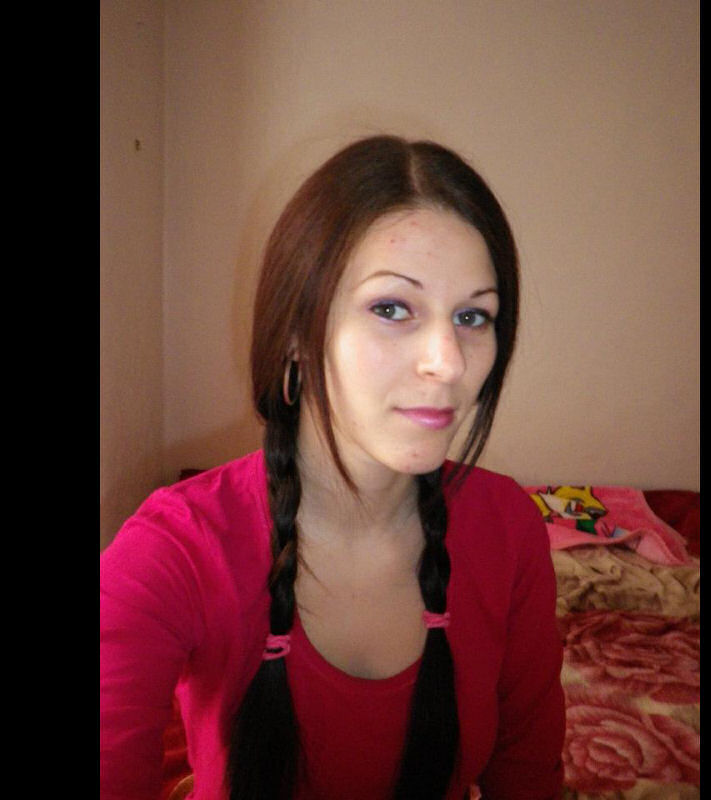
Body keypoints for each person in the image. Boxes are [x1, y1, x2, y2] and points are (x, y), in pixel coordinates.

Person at [100, 135, 566, 800]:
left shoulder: (508, 527)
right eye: (391, 308)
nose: (449, 362)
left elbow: (529, 775)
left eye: (473, 316)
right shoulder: (172, 551)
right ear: (297, 332)